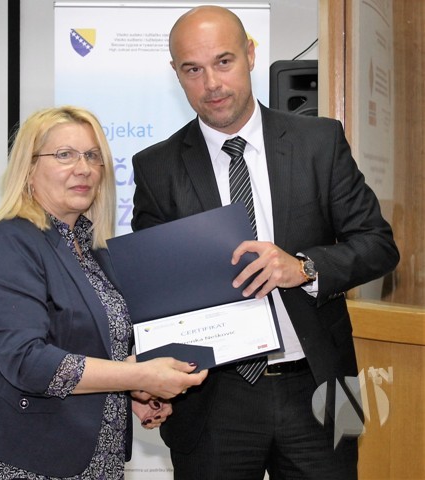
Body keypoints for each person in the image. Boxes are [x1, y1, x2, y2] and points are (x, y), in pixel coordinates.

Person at [131, 6, 399, 480]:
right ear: (176, 73)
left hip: (323, 383)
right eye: (192, 70)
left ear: (251, 54)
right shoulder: (156, 167)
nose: (211, 83)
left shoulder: (320, 141)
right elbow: (155, 294)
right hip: (212, 397)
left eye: (224, 61)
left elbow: (379, 245)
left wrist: (305, 268)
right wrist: (149, 376)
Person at [0, 106, 207, 479]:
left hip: (96, 462)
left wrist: (133, 392)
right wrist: (138, 377)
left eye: (92, 156)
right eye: (65, 155)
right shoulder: (10, 242)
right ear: (28, 169)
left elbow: (95, 352)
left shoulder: (94, 251)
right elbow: (27, 362)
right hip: (27, 461)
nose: (84, 168)